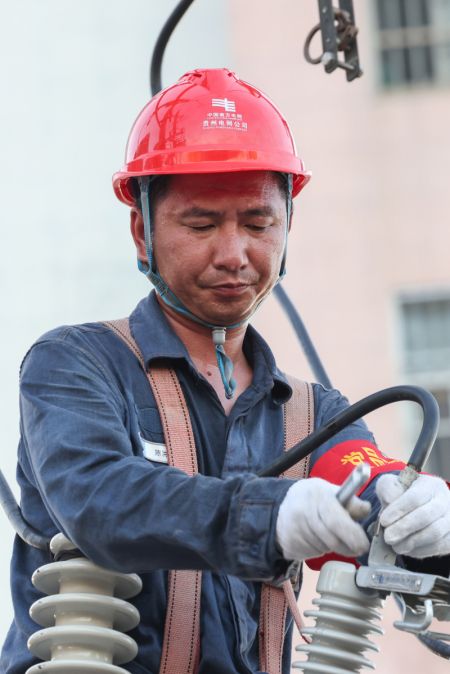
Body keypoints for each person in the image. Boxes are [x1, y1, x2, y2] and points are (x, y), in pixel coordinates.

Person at [2, 68, 449, 674]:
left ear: (286, 229)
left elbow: (365, 489)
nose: (235, 254)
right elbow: (98, 498)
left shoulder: (312, 415)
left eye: (259, 224)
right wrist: (272, 515)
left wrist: (428, 520)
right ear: (142, 230)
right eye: (201, 224)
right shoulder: (77, 367)